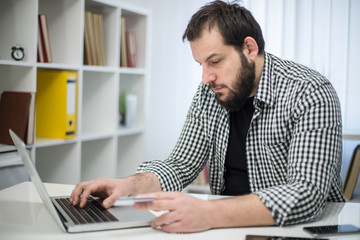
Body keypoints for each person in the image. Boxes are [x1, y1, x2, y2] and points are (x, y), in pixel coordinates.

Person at [70, 0, 345, 233]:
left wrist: (209, 213)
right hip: (228, 229)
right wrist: (127, 185)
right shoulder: (210, 93)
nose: (206, 78)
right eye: (201, 65)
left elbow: (306, 194)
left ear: (249, 48)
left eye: (215, 61)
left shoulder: (310, 92)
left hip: (297, 231)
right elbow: (180, 164)